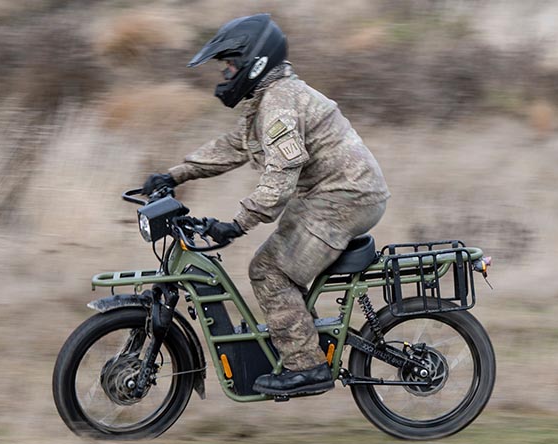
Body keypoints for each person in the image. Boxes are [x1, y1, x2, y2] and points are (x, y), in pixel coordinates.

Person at [142, 13, 390, 396]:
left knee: (269, 270)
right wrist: (176, 174)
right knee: (278, 262)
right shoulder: (269, 99)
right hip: (332, 195)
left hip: (343, 199)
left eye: (228, 65)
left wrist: (237, 223)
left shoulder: (280, 104)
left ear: (254, 62)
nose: (224, 74)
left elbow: (280, 177)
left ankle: (307, 366)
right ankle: (296, 338)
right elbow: (233, 147)